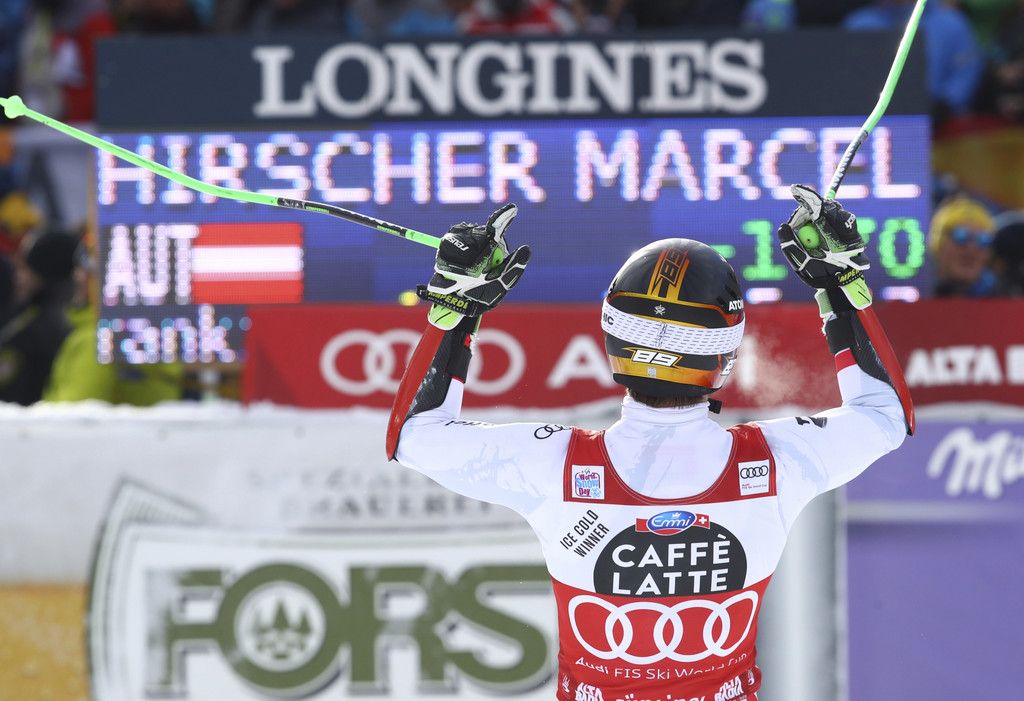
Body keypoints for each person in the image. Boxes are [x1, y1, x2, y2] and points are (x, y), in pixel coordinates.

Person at [386, 187, 914, 701]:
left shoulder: (554, 466)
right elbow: (886, 415)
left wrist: (456, 305)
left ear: (613, 339)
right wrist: (840, 284)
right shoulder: (778, 462)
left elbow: (413, 435)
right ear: (725, 354)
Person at [0, 228, 77, 405]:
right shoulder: (68, 318)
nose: (18, 278)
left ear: (45, 274)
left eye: (25, 269)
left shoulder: (33, 329)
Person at [928, 195, 1001, 296]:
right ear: (939, 244)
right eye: (961, 236)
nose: (971, 248)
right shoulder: (918, 296)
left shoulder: (1006, 300)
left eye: (983, 240)